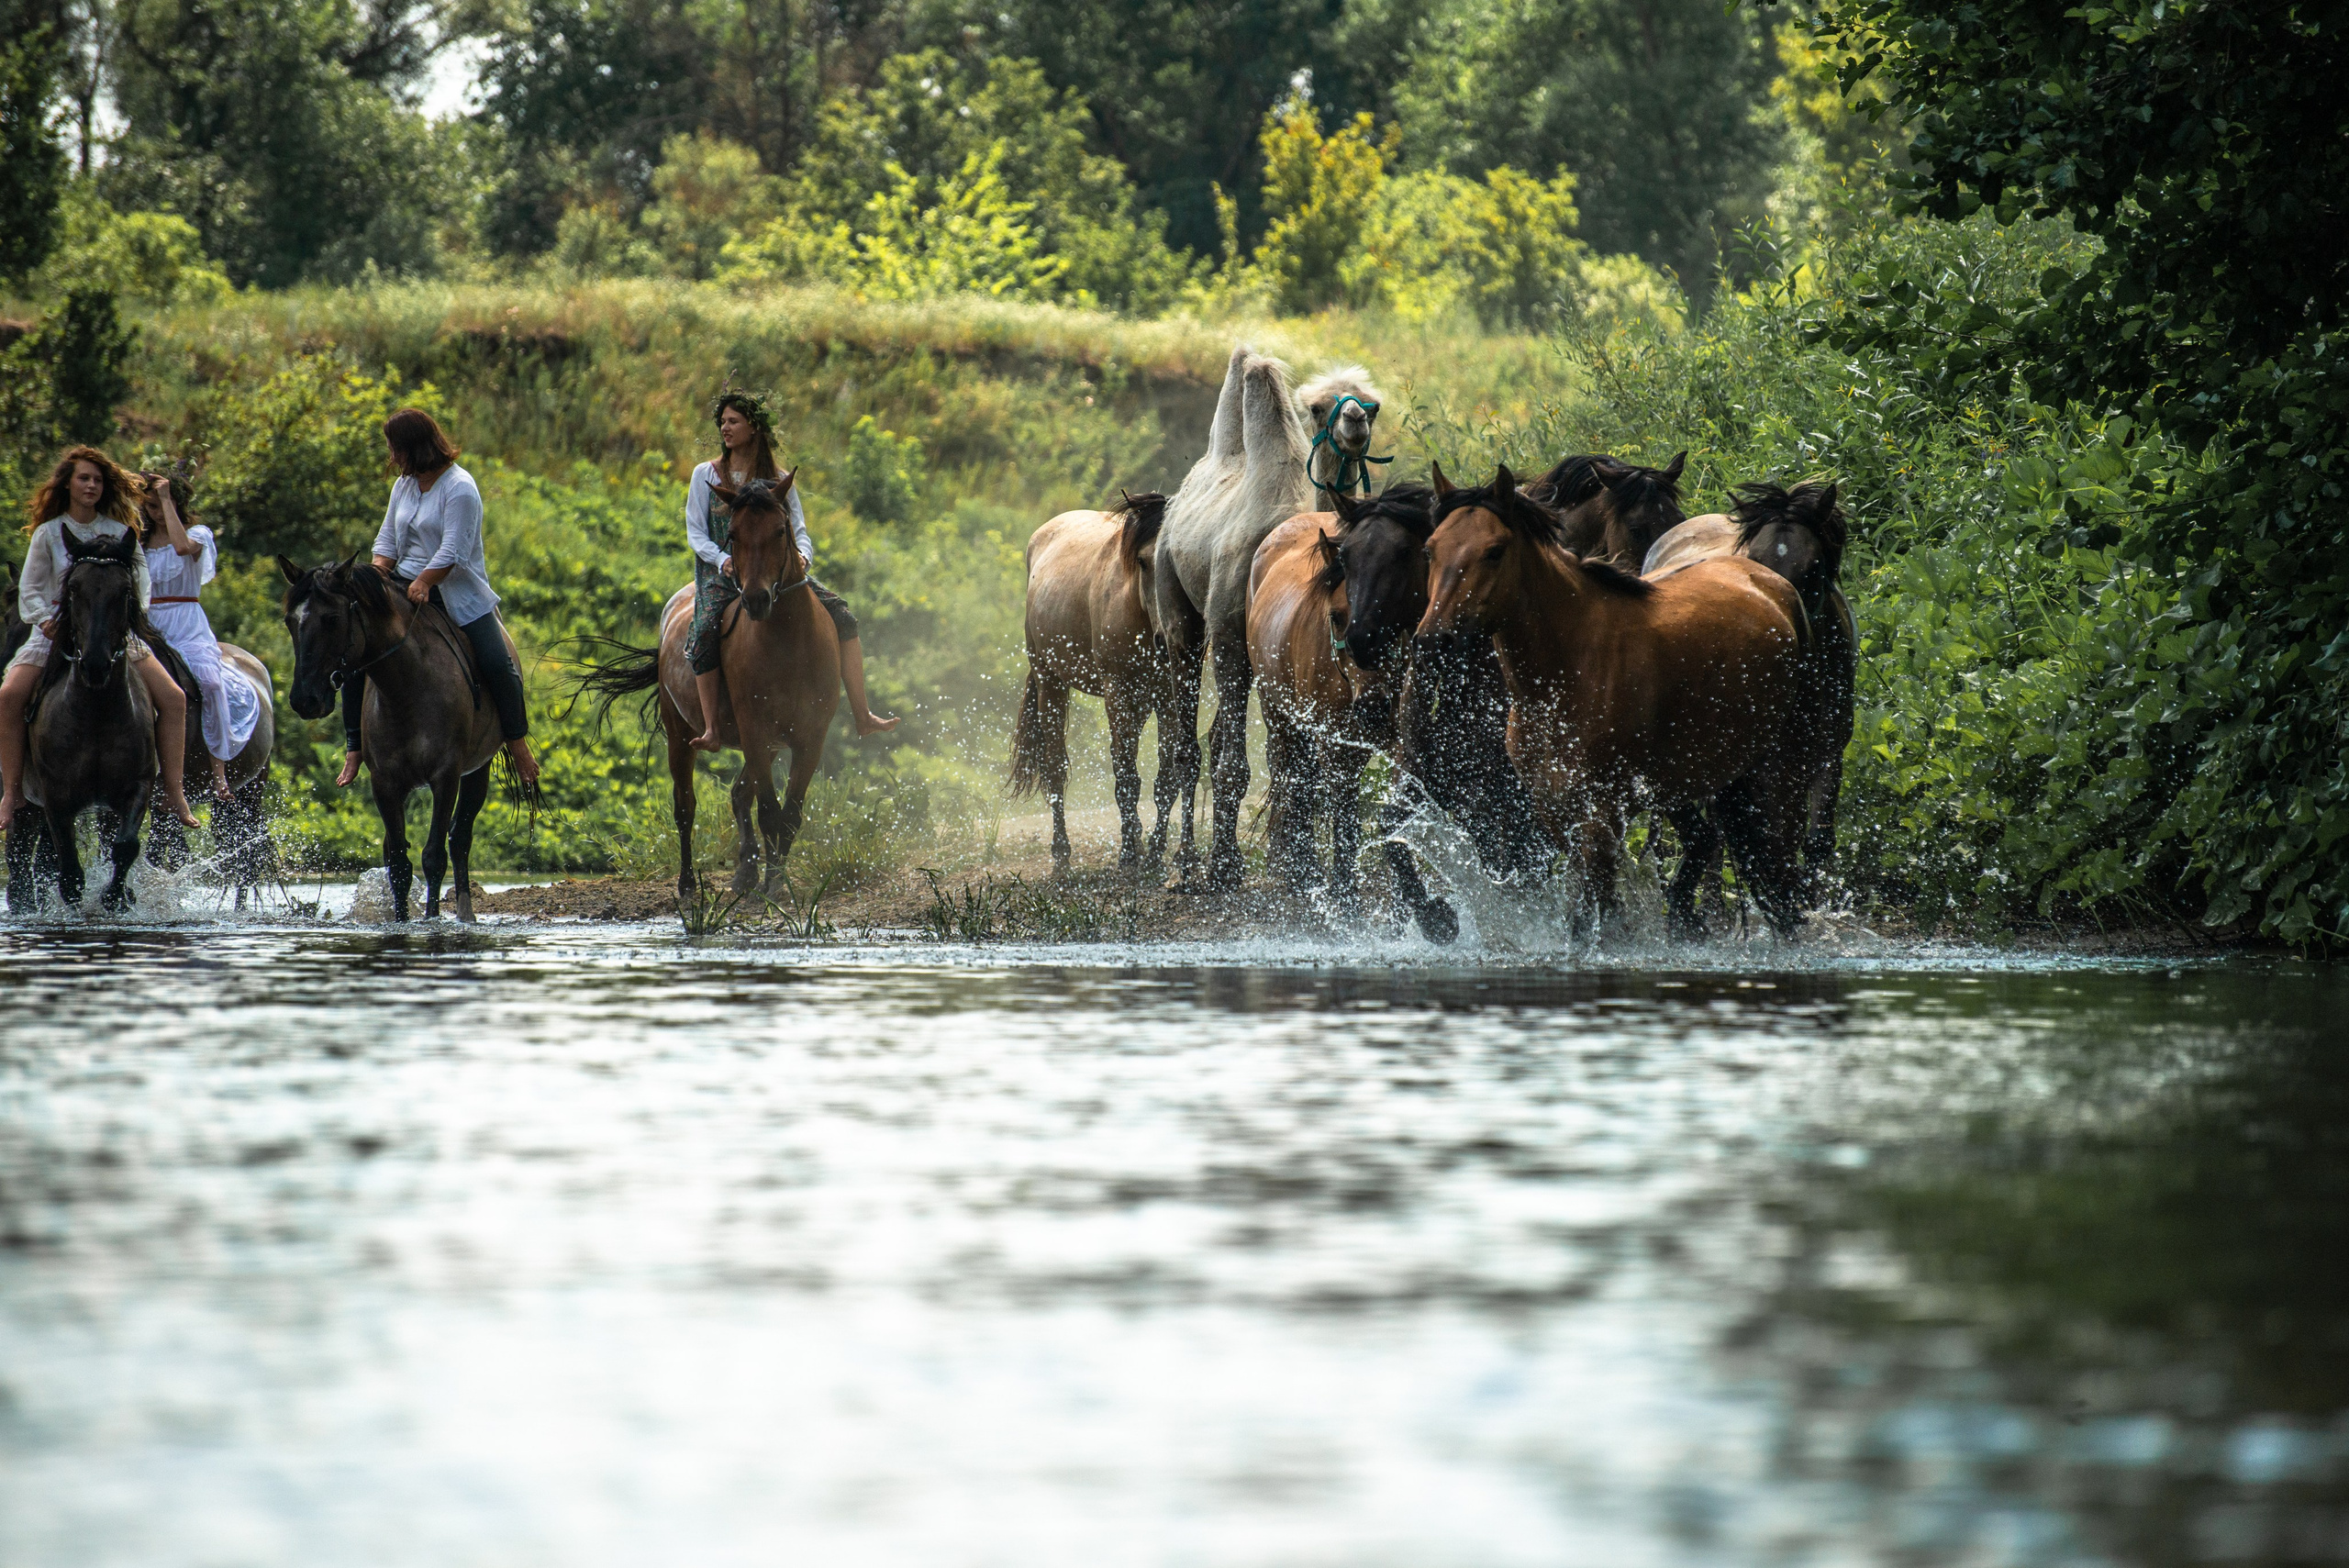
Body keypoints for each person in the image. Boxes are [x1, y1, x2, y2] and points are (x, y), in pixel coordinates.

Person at [334, 409, 540, 790]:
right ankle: (355, 746)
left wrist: (427, 580)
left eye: (395, 450)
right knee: (356, 650)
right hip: (403, 588)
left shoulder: (460, 487)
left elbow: (453, 549)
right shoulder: (404, 486)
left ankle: (517, 743)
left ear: (415, 448)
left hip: (456, 593)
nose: (392, 458)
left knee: (498, 662)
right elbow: (386, 543)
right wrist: (378, 575)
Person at [685, 390, 897, 751]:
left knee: (843, 614)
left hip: (775, 570)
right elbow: (695, 531)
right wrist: (723, 560)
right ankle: (711, 729)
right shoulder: (705, 474)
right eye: (722, 422)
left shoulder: (779, 479)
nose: (725, 428)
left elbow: (799, 530)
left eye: (733, 421)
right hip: (722, 572)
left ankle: (863, 714)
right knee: (704, 629)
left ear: (753, 428)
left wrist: (803, 558)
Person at [0, 446, 198, 834]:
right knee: (9, 695)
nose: (91, 485)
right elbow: (31, 590)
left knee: (174, 698)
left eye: (97, 479)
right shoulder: (48, 534)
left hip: (112, 632)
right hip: (56, 632)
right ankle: (11, 792)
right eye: (83, 478)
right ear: (68, 485)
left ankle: (173, 792)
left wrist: (123, 621)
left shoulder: (122, 532)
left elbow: (142, 586)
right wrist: (45, 621)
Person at [139, 470, 262, 800]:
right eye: (148, 506)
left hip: (186, 621)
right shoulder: (139, 542)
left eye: (159, 504)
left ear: (176, 502)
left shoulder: (198, 534)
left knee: (208, 681)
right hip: (149, 621)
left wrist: (167, 499)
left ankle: (218, 767)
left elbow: (181, 548)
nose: (153, 512)